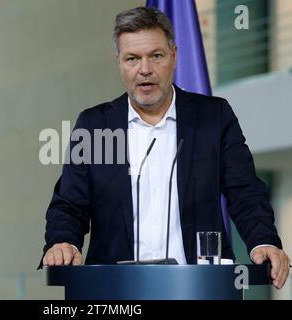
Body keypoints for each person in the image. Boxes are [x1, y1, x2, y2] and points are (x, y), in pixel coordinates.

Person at [40, 6, 290, 289]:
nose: (144, 69)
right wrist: (62, 240)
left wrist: (263, 240)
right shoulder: (94, 125)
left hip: (197, 288)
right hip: (116, 290)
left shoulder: (214, 117)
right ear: (119, 63)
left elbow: (244, 192)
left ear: (174, 56)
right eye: (132, 58)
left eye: (156, 56)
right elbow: (69, 203)